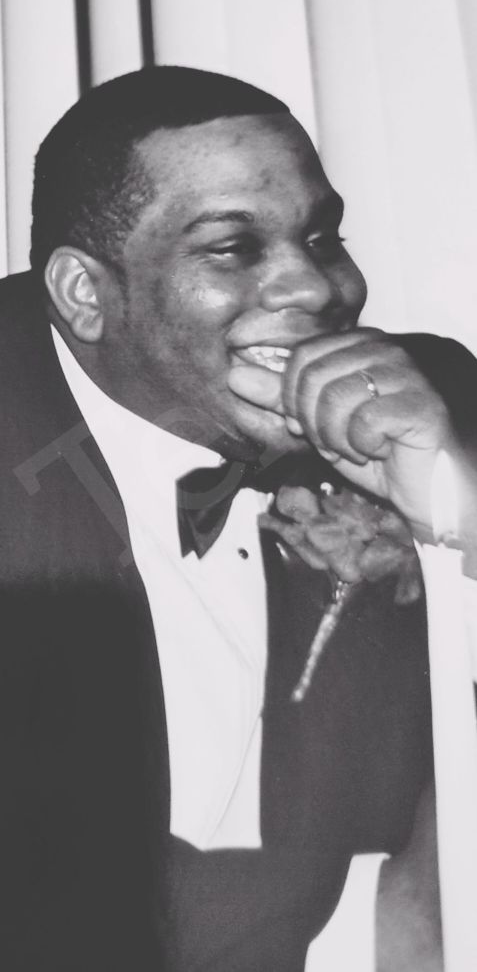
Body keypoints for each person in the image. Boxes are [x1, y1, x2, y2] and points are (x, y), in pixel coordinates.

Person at [1, 65, 476, 971]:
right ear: (85, 294)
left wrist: (460, 523)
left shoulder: (432, 404)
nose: (315, 288)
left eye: (321, 235)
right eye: (231, 247)